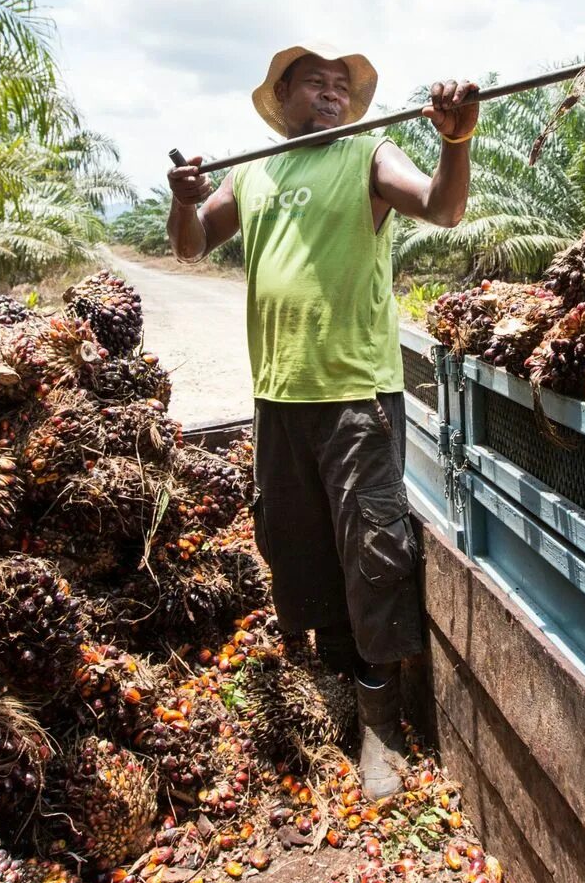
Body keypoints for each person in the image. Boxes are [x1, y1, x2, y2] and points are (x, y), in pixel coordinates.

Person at [166, 45, 477, 798]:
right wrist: (183, 196)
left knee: (372, 549)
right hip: (278, 395)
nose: (333, 94)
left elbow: (442, 206)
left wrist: (456, 138)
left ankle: (383, 719)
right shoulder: (252, 172)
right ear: (284, 95)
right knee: (296, 543)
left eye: (343, 85)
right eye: (317, 83)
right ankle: (334, 681)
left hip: (355, 397)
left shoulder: (371, 154)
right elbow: (189, 244)